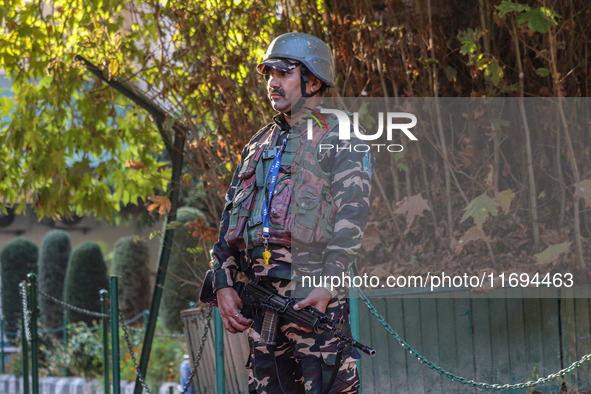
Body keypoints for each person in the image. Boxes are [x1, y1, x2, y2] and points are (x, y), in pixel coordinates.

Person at [210, 32, 372, 393]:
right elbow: (228, 225)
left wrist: (328, 286)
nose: (272, 82)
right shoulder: (257, 144)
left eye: (283, 73)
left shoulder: (341, 135)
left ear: (313, 80)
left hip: (312, 302)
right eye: (268, 73)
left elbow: (352, 220)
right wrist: (223, 284)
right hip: (260, 304)